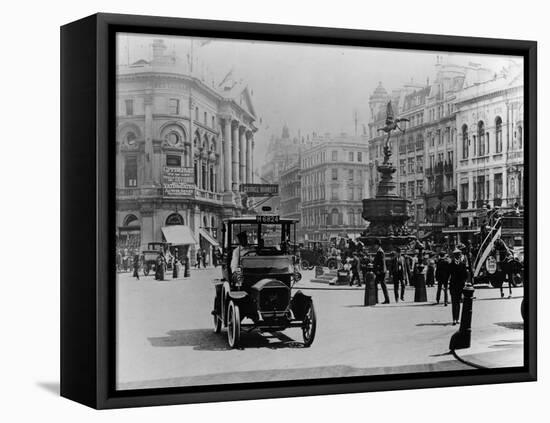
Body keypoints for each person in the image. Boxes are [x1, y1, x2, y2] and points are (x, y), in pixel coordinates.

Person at [448, 248, 469, 325]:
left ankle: (457, 319)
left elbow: (465, 276)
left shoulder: (462, 265)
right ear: (455, 256)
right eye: (457, 255)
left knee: (458, 303)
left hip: (460, 286)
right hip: (453, 286)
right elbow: (448, 275)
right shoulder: (451, 265)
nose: (458, 257)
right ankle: (454, 319)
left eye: (459, 255)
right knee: (454, 303)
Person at [373, 239, 390, 304]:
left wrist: (379, 270)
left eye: (375, 245)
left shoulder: (380, 252)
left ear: (377, 245)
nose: (374, 246)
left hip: (380, 272)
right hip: (381, 271)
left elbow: (382, 262)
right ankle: (378, 299)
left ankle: (383, 299)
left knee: (381, 285)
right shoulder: (380, 251)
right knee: (381, 285)